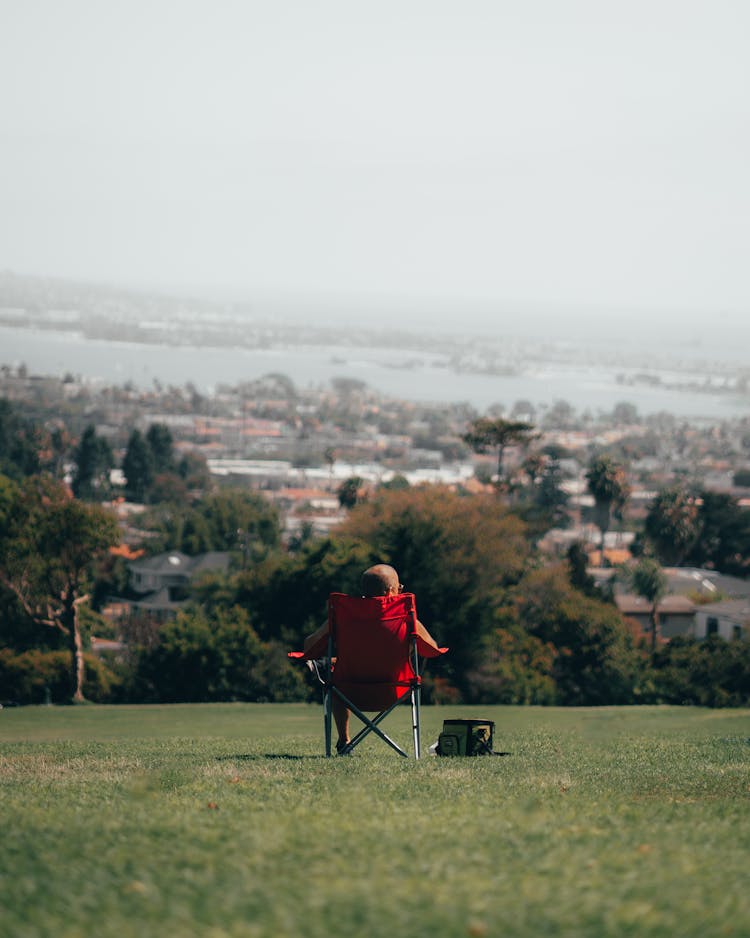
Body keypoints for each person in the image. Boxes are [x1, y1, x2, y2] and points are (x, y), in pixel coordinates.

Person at [303, 563, 442, 754]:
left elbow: (308, 646)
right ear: (390, 591)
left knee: (332, 676)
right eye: (400, 588)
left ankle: (344, 741)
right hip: (394, 691)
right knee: (337, 671)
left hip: (348, 693)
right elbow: (432, 650)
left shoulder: (344, 615)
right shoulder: (405, 616)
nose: (402, 591)